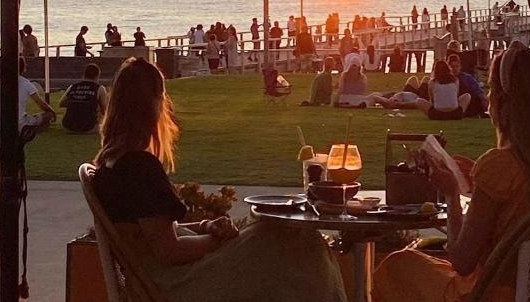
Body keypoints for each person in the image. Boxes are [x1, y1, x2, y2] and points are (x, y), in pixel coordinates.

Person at [91, 58, 347, 302]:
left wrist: (205, 226)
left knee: (285, 235)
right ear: (154, 105)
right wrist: (218, 240)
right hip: (175, 285)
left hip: (158, 279)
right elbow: (170, 251)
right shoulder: (139, 167)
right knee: (296, 240)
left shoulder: (111, 166)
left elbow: (155, 235)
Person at [372, 41, 530, 302]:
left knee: (397, 266)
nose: (489, 96)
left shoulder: (499, 164)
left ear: (505, 101)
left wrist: (451, 194)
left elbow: (462, 261)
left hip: (489, 293)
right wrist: (476, 183)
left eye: (492, 88)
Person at [0, 57, 57, 133]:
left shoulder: (4, 82)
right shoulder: (26, 83)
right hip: (19, 124)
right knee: (48, 115)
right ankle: (34, 129)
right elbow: (41, 104)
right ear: (24, 68)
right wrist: (52, 112)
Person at [61, 63, 109, 133]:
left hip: (68, 126)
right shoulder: (99, 88)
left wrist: (78, 101)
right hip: (88, 127)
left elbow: (61, 103)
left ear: (84, 75)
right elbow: (105, 110)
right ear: (97, 76)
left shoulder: (73, 86)